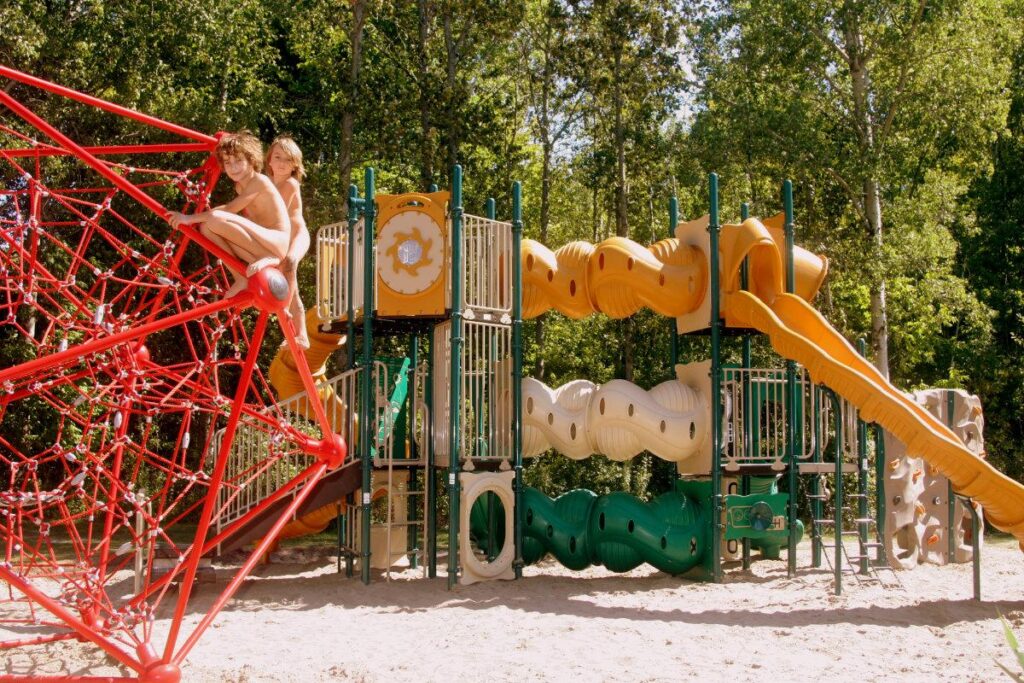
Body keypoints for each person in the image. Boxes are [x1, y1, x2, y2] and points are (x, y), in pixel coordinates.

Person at [167, 131, 289, 299]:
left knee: (215, 219)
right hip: (260, 245)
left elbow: (230, 209)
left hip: (276, 241)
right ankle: (239, 277)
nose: (233, 167)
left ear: (251, 160)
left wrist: (188, 219)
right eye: (227, 162)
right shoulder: (240, 187)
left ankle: (271, 258)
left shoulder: (259, 181)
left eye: (238, 160)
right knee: (207, 228)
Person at [265, 135, 311, 349]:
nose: (282, 163)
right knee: (291, 284)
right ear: (270, 161)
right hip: (281, 239)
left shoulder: (290, 184)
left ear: (295, 165)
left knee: (290, 264)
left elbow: (273, 211)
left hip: (297, 236)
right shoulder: (266, 184)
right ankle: (300, 335)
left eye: (288, 159)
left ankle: (298, 330)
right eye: (278, 157)